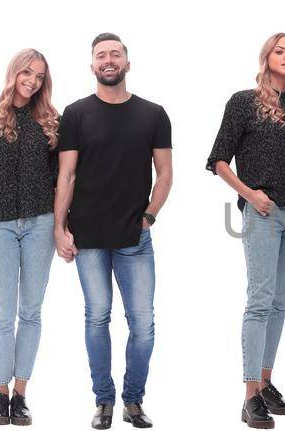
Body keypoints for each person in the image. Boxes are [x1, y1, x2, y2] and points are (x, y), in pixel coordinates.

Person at [53, 32, 173, 430]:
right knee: (97, 317)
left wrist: (150, 216)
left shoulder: (153, 114)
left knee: (143, 323)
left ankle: (133, 401)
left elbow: (166, 174)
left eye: (115, 54)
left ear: (127, 62)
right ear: (92, 66)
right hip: (87, 237)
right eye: (101, 55)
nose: (109, 60)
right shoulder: (76, 114)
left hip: (135, 238)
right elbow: (66, 174)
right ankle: (104, 401)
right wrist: (59, 227)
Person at [205, 32, 285, 430]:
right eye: (280, 51)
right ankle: (250, 395)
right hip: (265, 213)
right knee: (259, 302)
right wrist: (249, 194)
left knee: (280, 303)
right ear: (266, 57)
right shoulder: (244, 102)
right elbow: (219, 159)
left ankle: (267, 381)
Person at [0, 48, 59, 427]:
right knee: (3, 313)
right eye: (27, 73)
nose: (32, 81)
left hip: (41, 224)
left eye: (39, 77)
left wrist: (61, 225)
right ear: (14, 72)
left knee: (32, 311)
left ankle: (21, 394)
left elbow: (61, 181)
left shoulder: (53, 122)